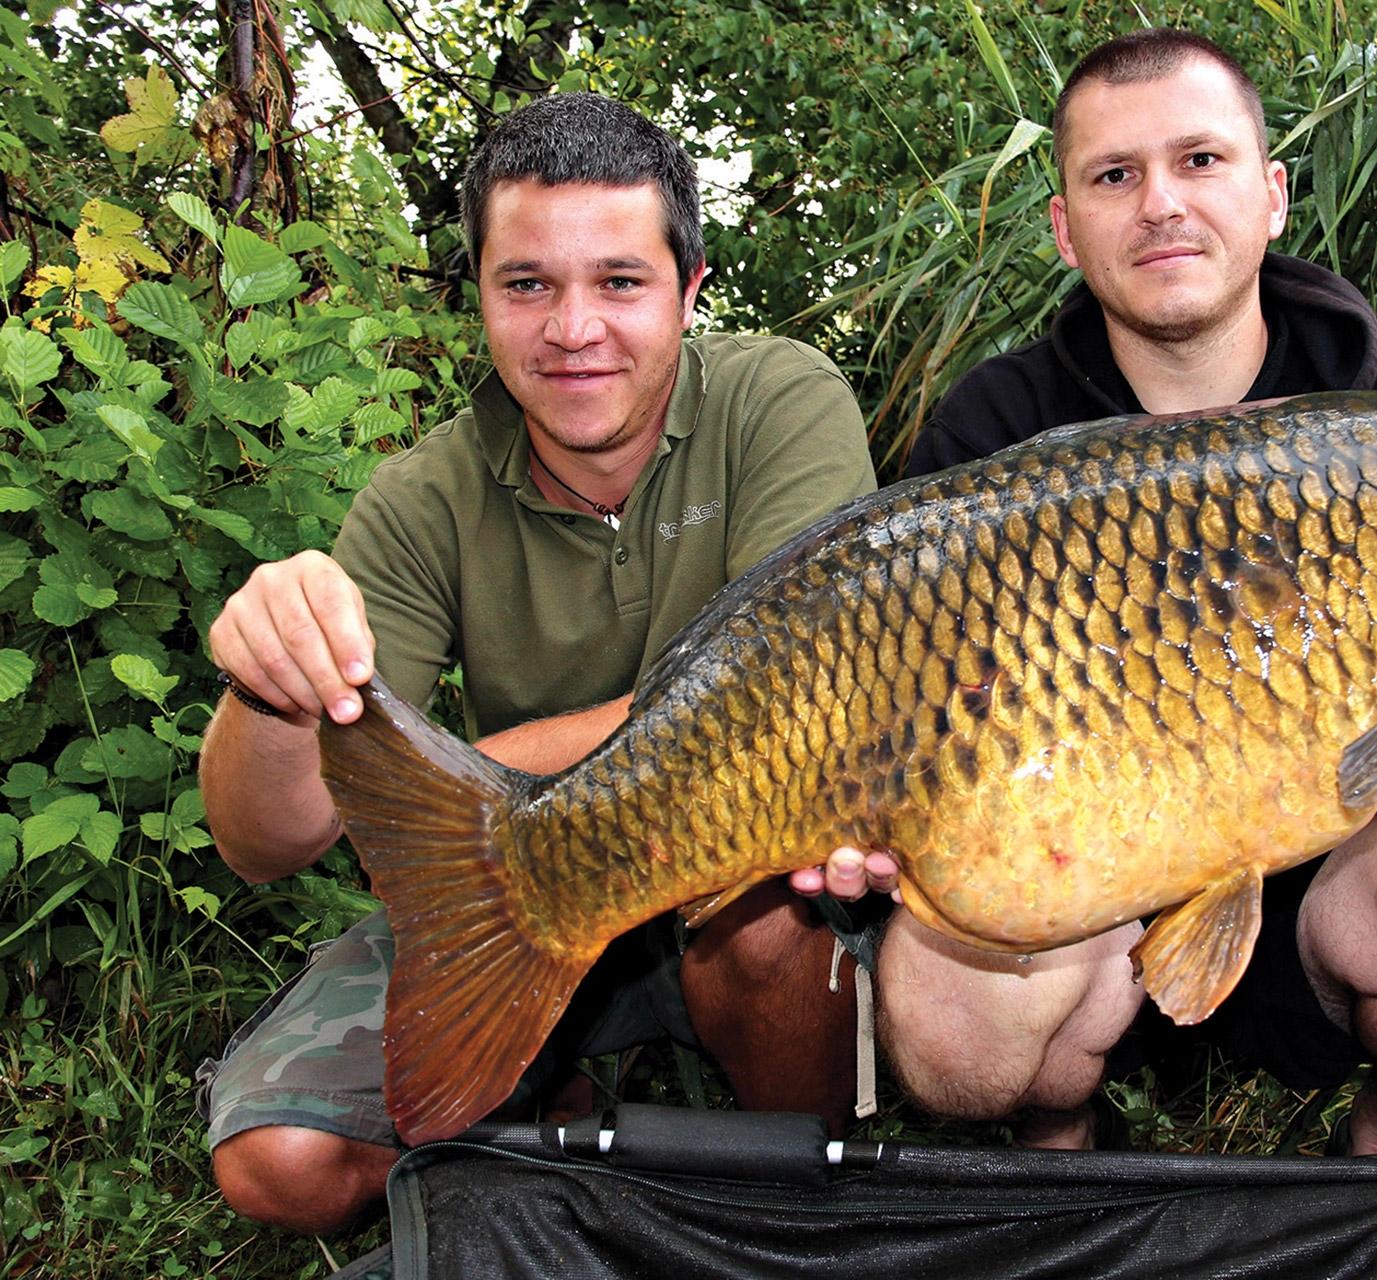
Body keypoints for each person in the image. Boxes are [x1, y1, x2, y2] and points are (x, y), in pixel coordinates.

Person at [837, 29, 1377, 1156]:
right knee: (953, 1030)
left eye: (1200, 160)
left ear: (1272, 193)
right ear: (1065, 227)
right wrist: (878, 819)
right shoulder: (996, 430)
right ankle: (1061, 1136)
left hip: (1340, 881)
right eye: (1115, 175)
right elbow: (910, 708)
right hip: (1081, 902)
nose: (1161, 203)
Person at [197, 93, 877, 1233]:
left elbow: (781, 707)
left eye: (619, 281)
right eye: (526, 284)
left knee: (773, 915)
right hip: (520, 886)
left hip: (719, 867)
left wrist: (460, 778)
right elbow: (264, 843)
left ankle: (798, 1204)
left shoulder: (780, 402)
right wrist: (271, 689)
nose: (573, 328)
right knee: (282, 1165)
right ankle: (550, 1095)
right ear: (478, 296)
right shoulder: (420, 499)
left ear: (689, 290)